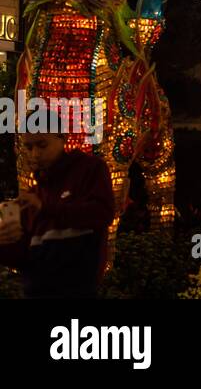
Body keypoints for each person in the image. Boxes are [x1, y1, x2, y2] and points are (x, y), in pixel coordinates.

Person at [0, 127, 115, 298]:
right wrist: (4, 241)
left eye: (42, 145)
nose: (35, 154)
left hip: (78, 291)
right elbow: (22, 257)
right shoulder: (34, 195)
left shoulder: (89, 169)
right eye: (29, 147)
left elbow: (101, 213)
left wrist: (45, 207)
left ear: (62, 138)